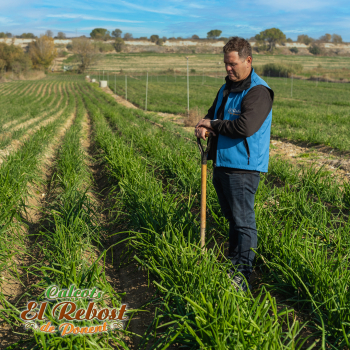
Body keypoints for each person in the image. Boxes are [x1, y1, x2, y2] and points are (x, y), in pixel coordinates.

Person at [194, 37, 274, 292]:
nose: (228, 69)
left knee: (243, 221)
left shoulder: (258, 91)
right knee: (232, 218)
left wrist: (213, 126)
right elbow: (213, 113)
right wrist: (204, 124)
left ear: (248, 60)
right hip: (222, 163)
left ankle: (242, 274)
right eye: (225, 64)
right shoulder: (226, 87)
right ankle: (233, 262)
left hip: (244, 167)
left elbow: (244, 127)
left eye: (232, 64)